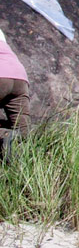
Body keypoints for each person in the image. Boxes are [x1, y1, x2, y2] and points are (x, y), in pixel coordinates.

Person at [0, 27, 29, 160]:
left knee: (6, 132)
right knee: (22, 131)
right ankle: (18, 167)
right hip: (19, 76)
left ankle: (3, 134)